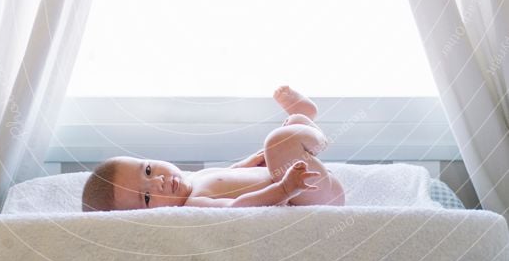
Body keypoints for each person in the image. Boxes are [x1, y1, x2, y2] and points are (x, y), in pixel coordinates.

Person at [82, 86, 345, 211]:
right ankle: (307, 121)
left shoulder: (194, 178)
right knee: (278, 143)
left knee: (280, 142)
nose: (159, 181)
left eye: (148, 170)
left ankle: (303, 122)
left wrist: (247, 165)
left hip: (301, 178)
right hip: (311, 194)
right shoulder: (195, 203)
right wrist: (285, 189)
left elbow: (229, 174)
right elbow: (239, 205)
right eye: (147, 197)